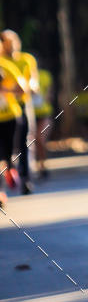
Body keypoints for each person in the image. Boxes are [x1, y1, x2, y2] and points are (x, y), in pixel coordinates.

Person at [1, 30, 38, 194]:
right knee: (7, 149)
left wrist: (30, 87)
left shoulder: (26, 59)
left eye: (13, 42)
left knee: (24, 142)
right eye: (7, 43)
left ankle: (25, 178)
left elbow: (32, 83)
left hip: (21, 106)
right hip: (7, 108)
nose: (11, 46)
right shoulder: (3, 61)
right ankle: (10, 170)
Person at [0, 53, 27, 201]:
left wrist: (5, 90)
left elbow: (22, 89)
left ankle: (11, 169)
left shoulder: (6, 66)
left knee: (8, 155)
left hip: (10, 117)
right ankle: (1, 193)